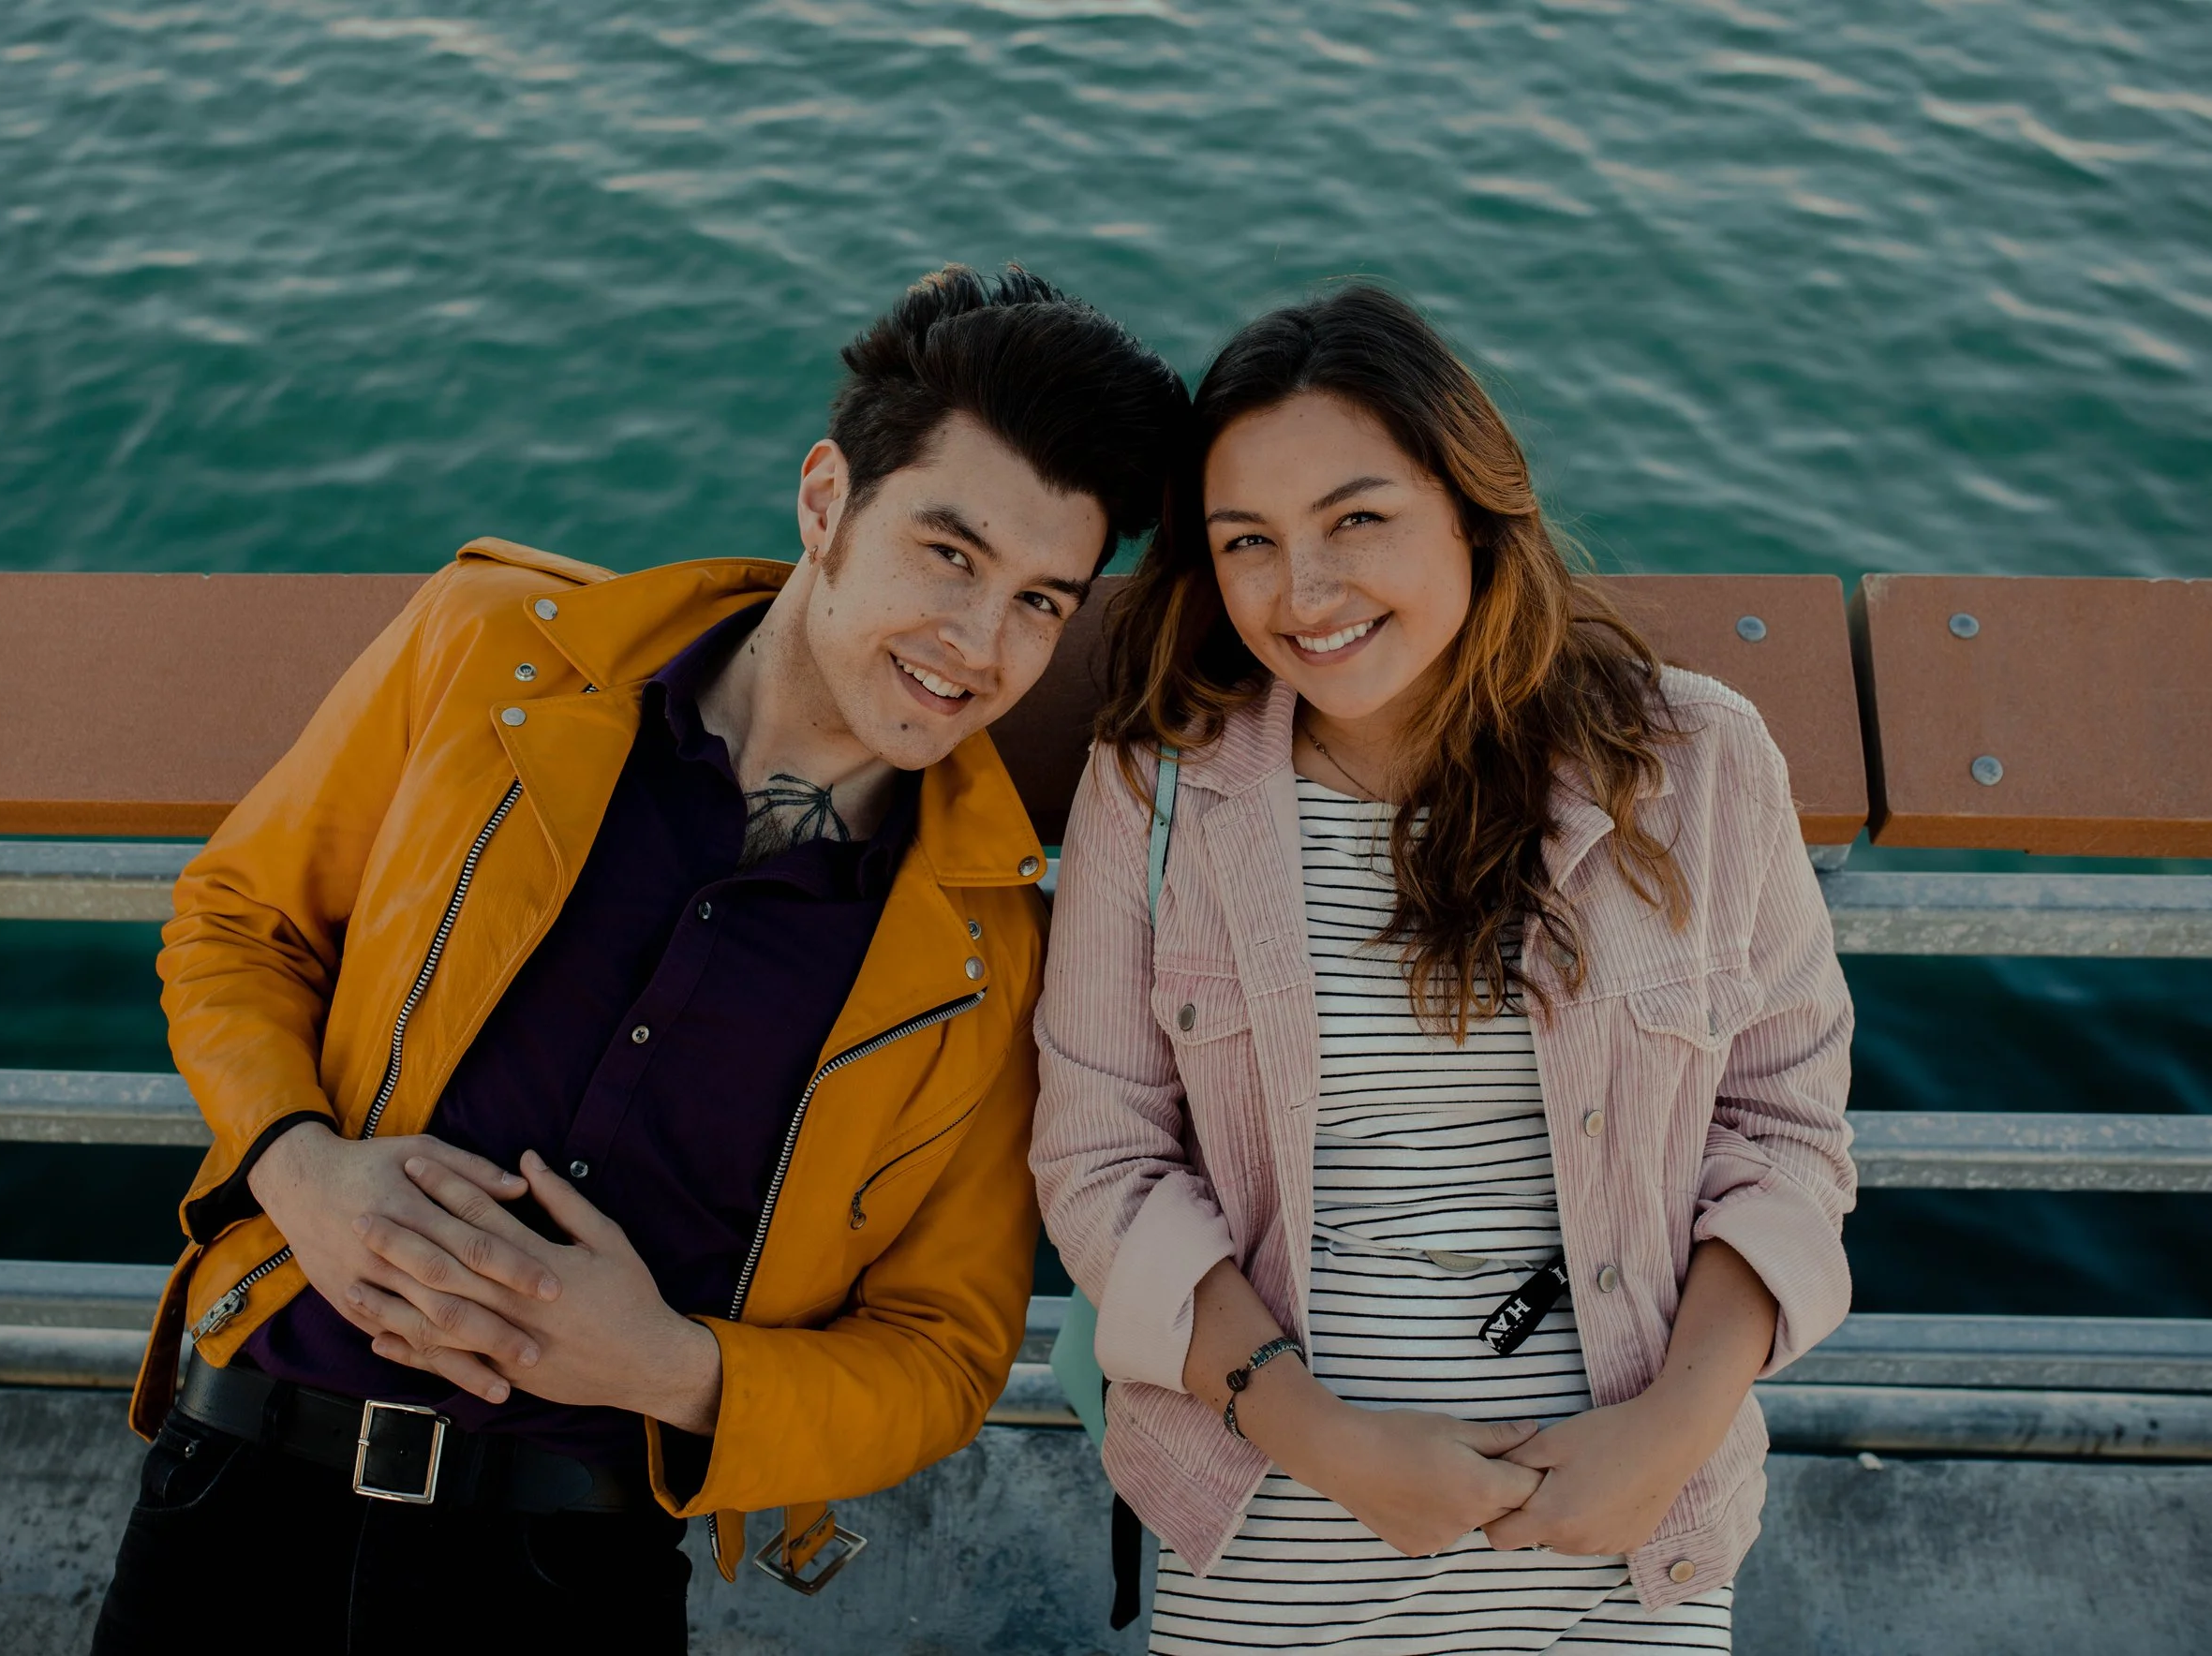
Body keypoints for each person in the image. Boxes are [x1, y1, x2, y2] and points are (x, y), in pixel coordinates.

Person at [92, 264, 1189, 1654]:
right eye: (949, 555)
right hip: (245, 1469)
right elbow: (239, 921)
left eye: (1044, 600)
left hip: (574, 1567)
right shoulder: (489, 653)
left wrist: (674, 1369)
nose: (979, 647)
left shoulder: (997, 946)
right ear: (825, 502)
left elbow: (948, 1352)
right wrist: (302, 1169)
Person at [1031, 284, 1855, 1652]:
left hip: (1620, 1490)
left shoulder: (1695, 762)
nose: (1305, 594)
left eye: (1359, 519)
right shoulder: (1159, 793)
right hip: (1276, 1472)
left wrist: (1666, 1434)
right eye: (1250, 543)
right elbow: (1101, 1159)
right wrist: (1335, 1445)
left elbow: (1783, 1131)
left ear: (1471, 511)